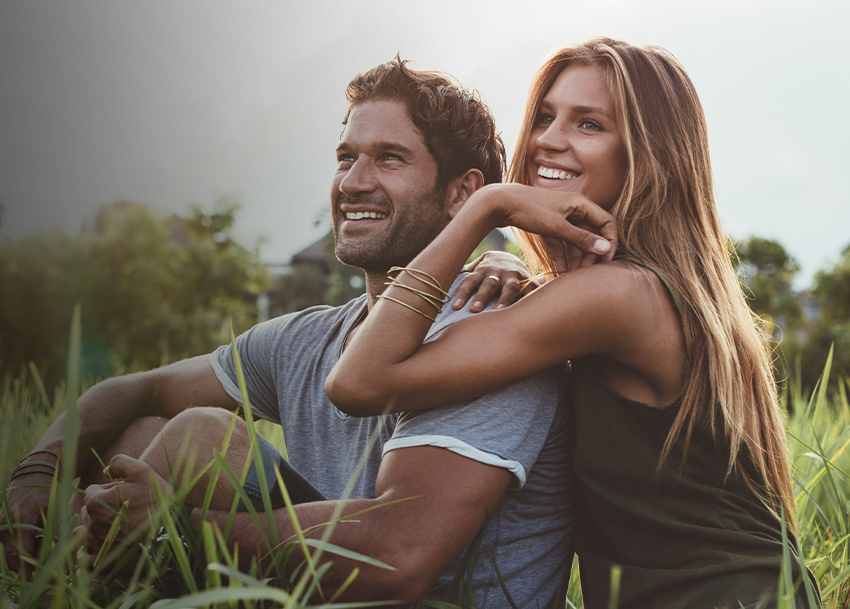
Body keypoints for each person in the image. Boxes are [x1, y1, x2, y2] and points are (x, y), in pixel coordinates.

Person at [0, 58, 597, 606]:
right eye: (345, 157)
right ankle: (53, 584)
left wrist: (171, 526)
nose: (353, 182)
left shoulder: (490, 333)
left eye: (389, 158)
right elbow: (138, 389)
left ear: (462, 196)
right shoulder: (307, 338)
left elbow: (401, 557)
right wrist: (35, 476)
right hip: (326, 590)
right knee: (146, 434)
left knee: (201, 437)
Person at [326, 38, 816, 608]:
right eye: (544, 116)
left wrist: (486, 209)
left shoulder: (619, 295)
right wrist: (512, 261)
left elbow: (358, 381)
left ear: (646, 154)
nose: (548, 140)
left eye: (589, 124)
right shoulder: (643, 290)